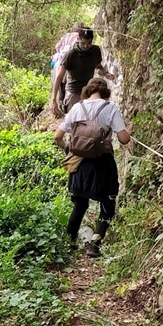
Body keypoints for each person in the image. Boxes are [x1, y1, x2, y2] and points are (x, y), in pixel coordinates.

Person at [54, 78, 131, 258]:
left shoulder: (76, 108)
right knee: (107, 202)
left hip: (80, 163)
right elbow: (124, 139)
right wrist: (126, 132)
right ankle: (95, 243)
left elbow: (57, 136)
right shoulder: (110, 108)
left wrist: (70, 148)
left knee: (80, 204)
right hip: (102, 162)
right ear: (105, 93)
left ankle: (69, 243)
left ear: (87, 91)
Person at [49, 27, 115, 116]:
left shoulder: (95, 51)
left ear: (92, 40)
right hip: (74, 93)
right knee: (75, 120)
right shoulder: (70, 55)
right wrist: (53, 100)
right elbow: (59, 77)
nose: (85, 46)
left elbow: (98, 66)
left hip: (88, 91)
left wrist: (106, 73)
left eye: (89, 43)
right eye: (83, 43)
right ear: (78, 39)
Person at [50, 23, 84, 109]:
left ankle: (60, 100)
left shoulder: (66, 36)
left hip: (61, 61)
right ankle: (66, 101)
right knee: (68, 81)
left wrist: (61, 51)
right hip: (71, 62)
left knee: (59, 78)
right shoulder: (78, 38)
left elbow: (57, 47)